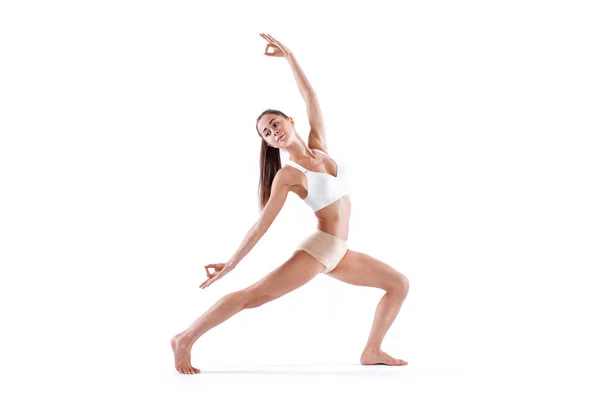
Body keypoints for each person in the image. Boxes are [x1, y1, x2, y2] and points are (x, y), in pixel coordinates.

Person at [171, 33, 410, 374]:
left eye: (274, 125)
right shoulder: (289, 175)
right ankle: (185, 338)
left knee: (398, 283)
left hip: (339, 252)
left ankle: (372, 349)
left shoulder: (320, 145)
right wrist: (231, 264)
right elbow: (261, 225)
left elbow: (310, 96)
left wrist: (290, 56)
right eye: (266, 134)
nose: (272, 133)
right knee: (251, 297)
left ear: (290, 122)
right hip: (319, 250)